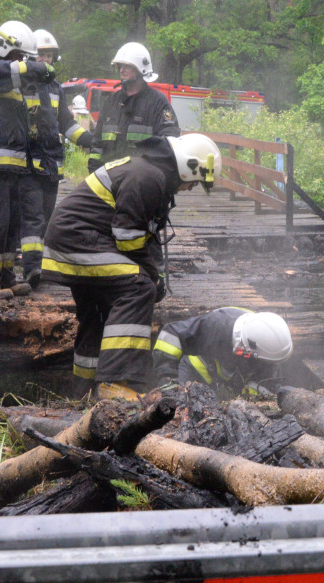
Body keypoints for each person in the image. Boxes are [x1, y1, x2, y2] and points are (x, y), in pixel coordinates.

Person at [42, 133, 221, 400]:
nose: (193, 188)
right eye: (195, 182)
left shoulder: (151, 174)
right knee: (138, 288)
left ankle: (84, 390)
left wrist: (156, 271)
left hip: (76, 242)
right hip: (79, 243)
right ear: (188, 167)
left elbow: (146, 235)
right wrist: (151, 275)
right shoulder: (147, 178)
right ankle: (115, 383)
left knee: (98, 311)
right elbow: (128, 236)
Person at [0, 20, 55, 300]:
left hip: (11, 163)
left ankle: (3, 276)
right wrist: (38, 67)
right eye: (19, 55)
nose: (20, 61)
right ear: (5, 46)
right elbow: (9, 71)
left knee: (9, 223)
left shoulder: (3, 71)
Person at [20, 28, 95, 289]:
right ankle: (31, 269)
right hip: (28, 162)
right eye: (41, 54)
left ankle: (40, 263)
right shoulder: (19, 83)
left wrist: (88, 140)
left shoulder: (55, 87)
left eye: (50, 55)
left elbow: (66, 122)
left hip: (51, 163)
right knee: (32, 215)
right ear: (31, 55)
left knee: (46, 214)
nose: (46, 60)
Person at [153, 308, 293, 400]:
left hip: (231, 374)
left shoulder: (270, 348)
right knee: (183, 405)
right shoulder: (216, 326)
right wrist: (168, 381)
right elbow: (171, 334)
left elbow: (265, 381)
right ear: (244, 348)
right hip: (197, 367)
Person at [87, 42, 180, 173]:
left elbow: (170, 141)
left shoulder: (158, 102)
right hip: (110, 179)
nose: (121, 70)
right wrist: (94, 174)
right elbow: (97, 143)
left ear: (140, 69)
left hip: (142, 181)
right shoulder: (112, 101)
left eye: (127, 66)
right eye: (120, 65)